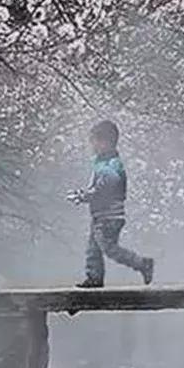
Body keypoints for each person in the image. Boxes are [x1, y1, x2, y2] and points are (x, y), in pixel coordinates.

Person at [68, 120, 154, 289]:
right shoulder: (102, 162)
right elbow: (98, 188)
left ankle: (142, 263)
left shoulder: (110, 164)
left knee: (109, 248)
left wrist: (84, 196)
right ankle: (94, 278)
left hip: (109, 217)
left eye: (94, 141)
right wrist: (83, 195)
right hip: (101, 216)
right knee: (93, 249)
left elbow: (103, 189)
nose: (92, 146)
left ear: (105, 142)